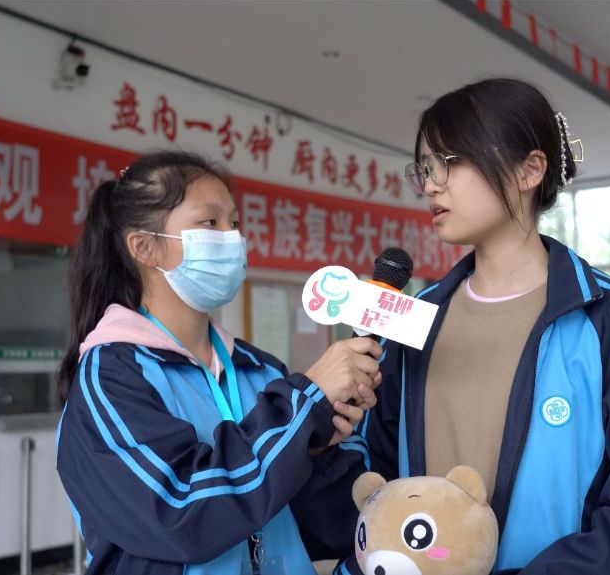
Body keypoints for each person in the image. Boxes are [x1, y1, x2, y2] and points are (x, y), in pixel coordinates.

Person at [333, 78, 610, 574]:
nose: (431, 184)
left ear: (530, 169)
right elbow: (376, 479)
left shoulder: (609, 316)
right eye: (425, 167)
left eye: (450, 162)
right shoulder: (416, 317)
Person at [55, 151, 383, 575]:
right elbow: (181, 513)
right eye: (210, 222)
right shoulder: (110, 376)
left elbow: (318, 525)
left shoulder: (260, 369)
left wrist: (316, 447)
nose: (232, 239)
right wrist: (303, 405)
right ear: (145, 247)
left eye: (235, 223)